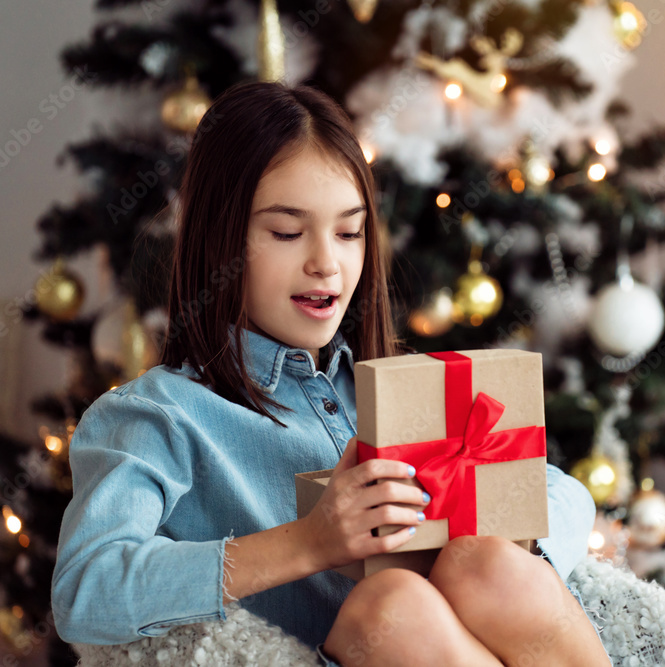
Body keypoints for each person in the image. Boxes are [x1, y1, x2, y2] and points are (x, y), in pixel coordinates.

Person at [51, 80, 612, 667]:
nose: (327, 262)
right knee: (393, 604)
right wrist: (309, 543)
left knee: (487, 563)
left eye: (349, 232)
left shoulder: (400, 384)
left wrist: (500, 550)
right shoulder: (157, 414)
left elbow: (562, 492)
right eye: (287, 232)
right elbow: (85, 590)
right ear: (220, 242)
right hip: (353, 645)